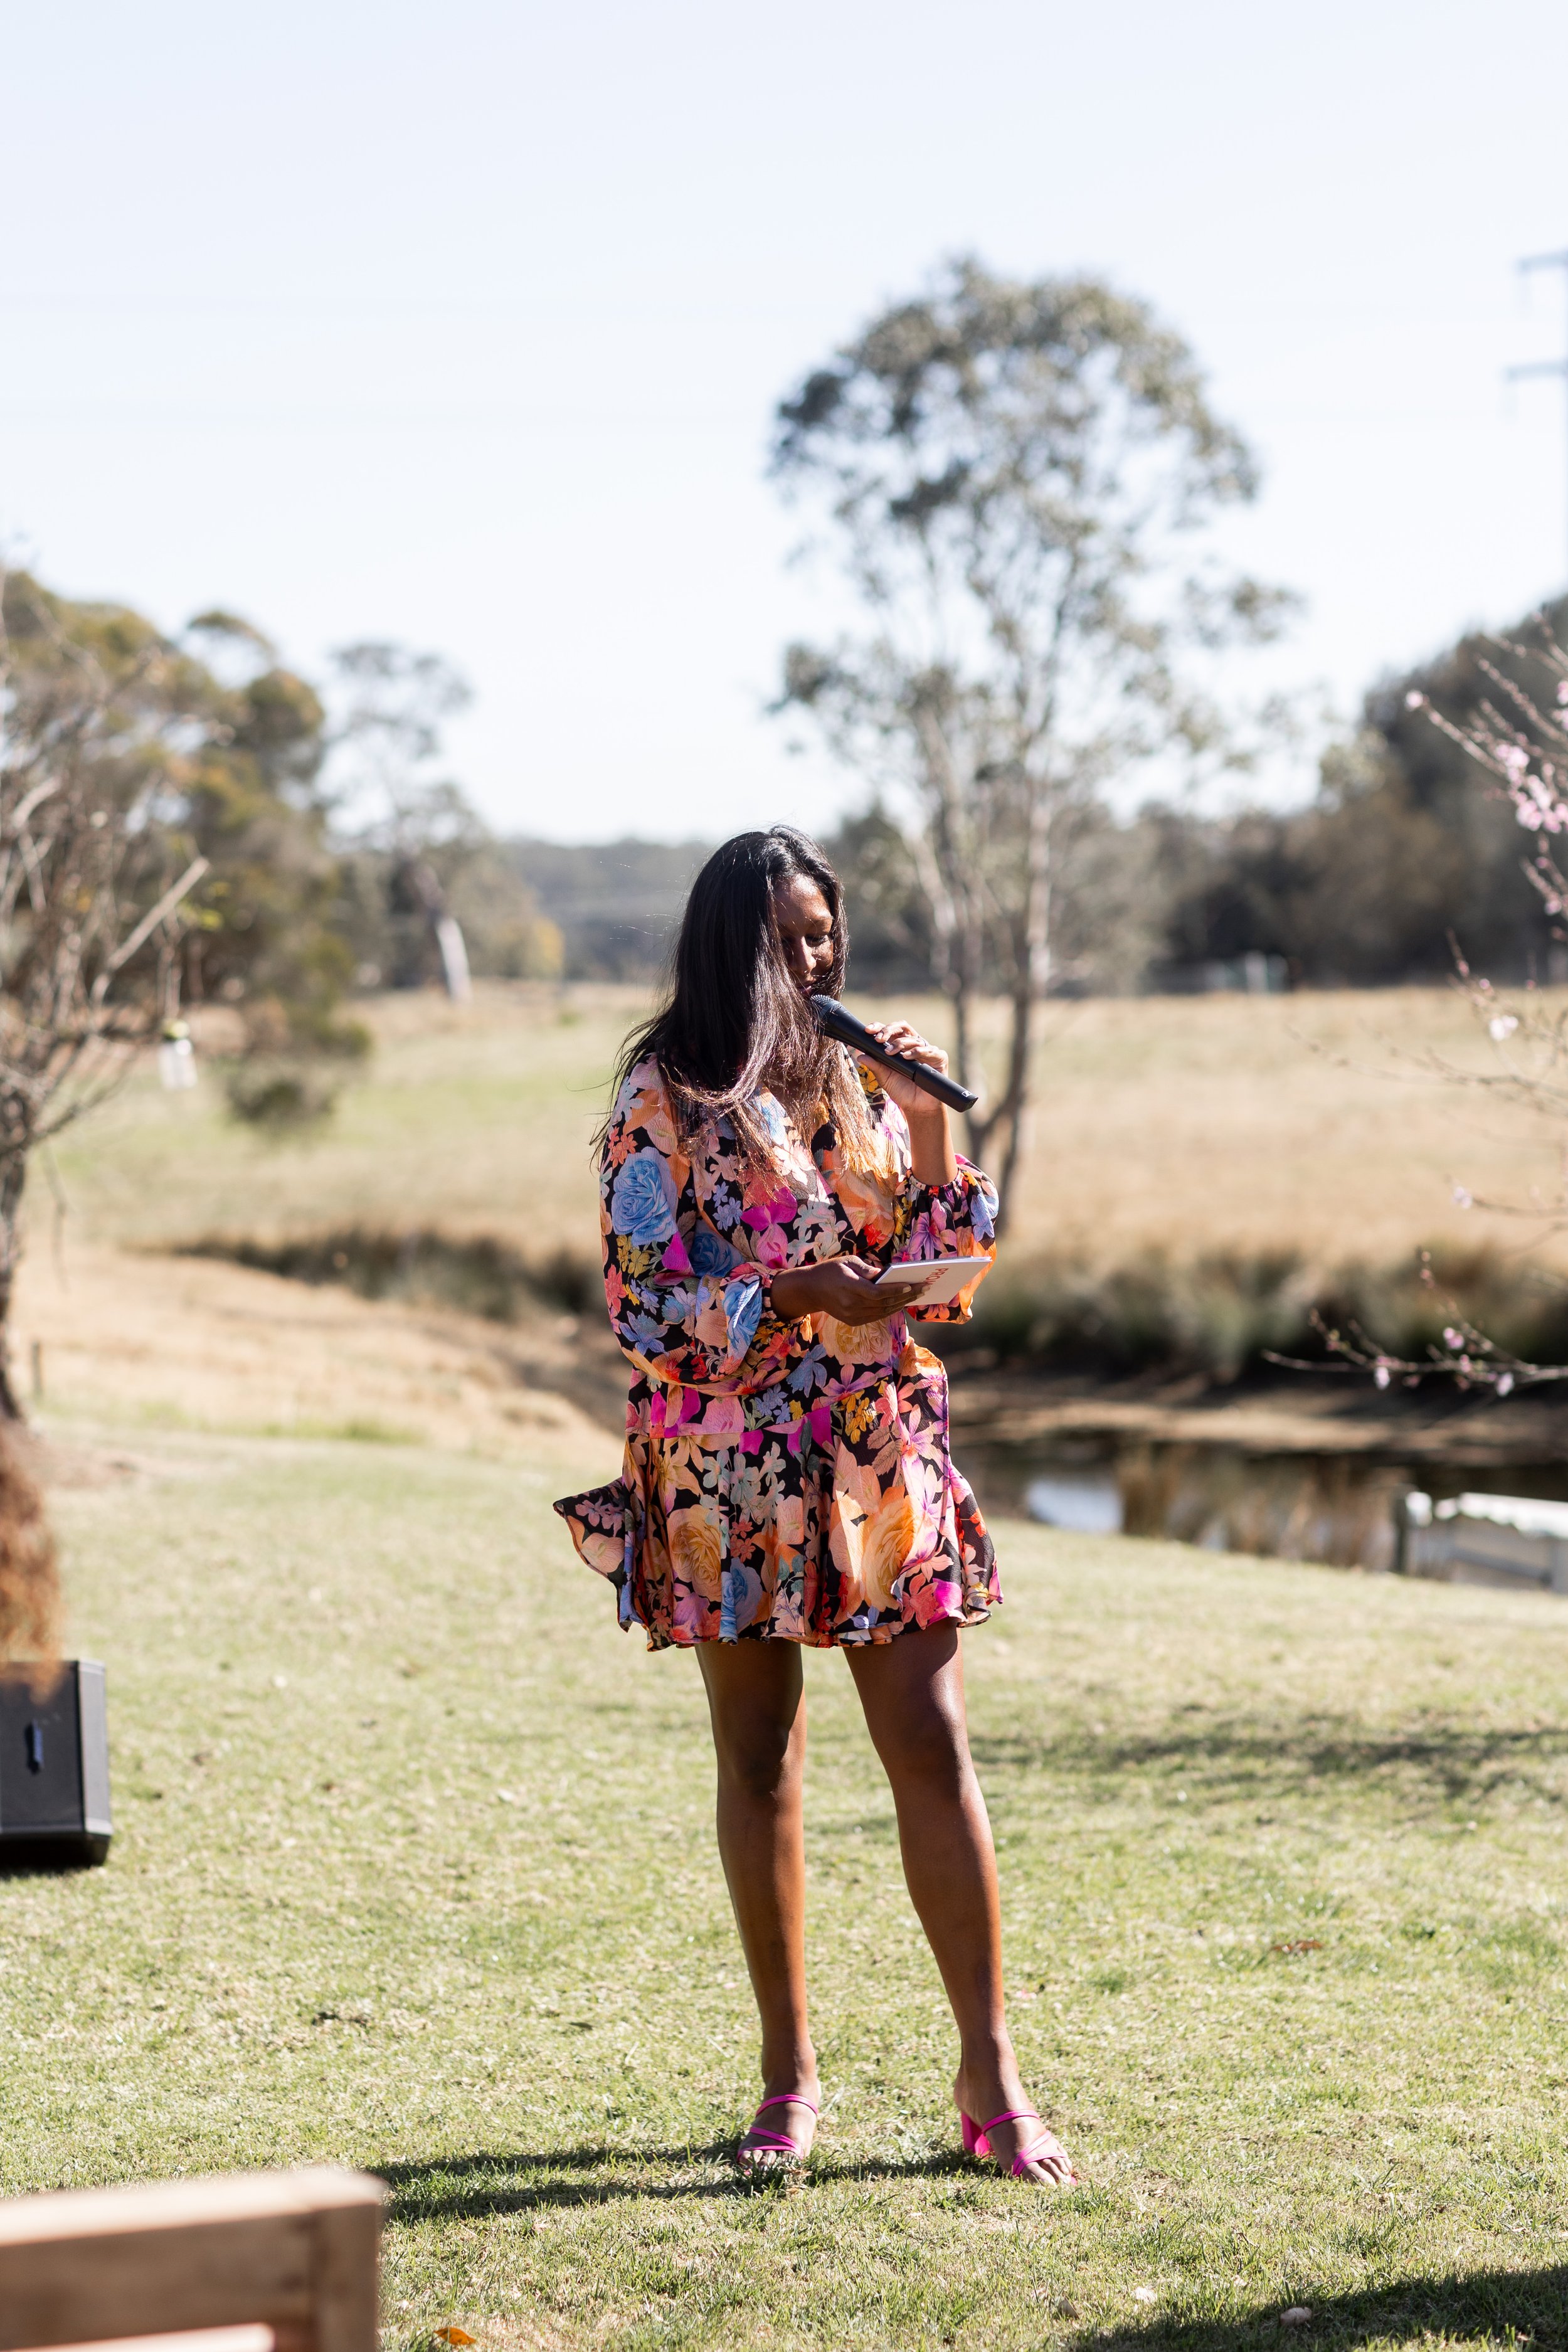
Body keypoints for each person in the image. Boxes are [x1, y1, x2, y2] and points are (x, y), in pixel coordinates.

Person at [554, 827, 1076, 2187]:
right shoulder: (660, 1096)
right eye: (791, 934)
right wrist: (789, 1296)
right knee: (759, 1754)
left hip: (873, 1451)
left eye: (826, 932)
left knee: (931, 1737)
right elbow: (641, 1303)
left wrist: (924, 1120)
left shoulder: (860, 1082)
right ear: (731, 942)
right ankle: (787, 2079)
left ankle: (990, 2075)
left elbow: (945, 1281)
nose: (817, 955)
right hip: (729, 1467)